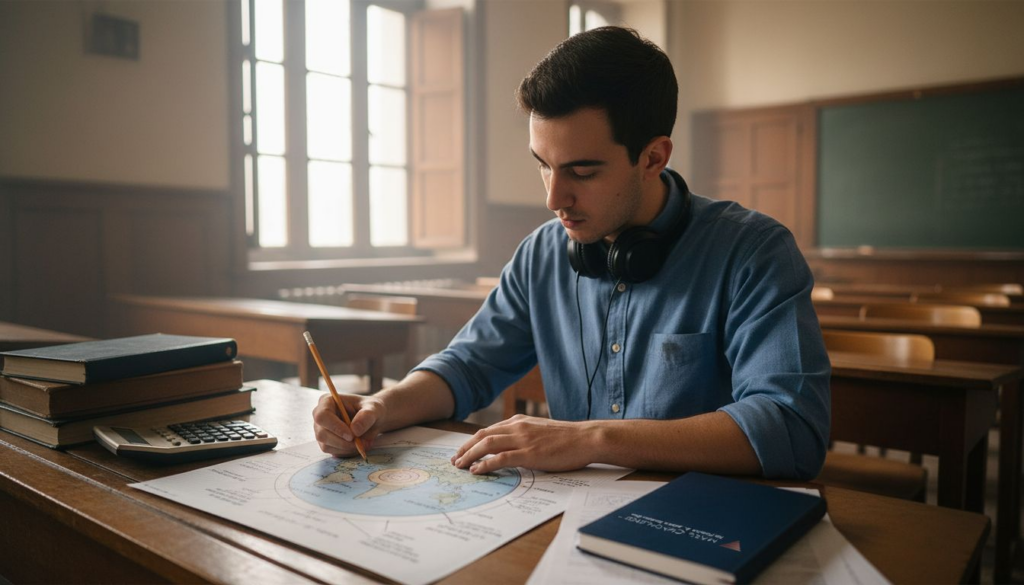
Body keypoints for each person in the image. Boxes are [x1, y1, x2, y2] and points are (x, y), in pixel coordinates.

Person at [314, 26, 830, 480]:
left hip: (704, 517)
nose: (553, 198)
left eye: (582, 172)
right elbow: (468, 365)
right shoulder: (542, 254)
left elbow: (791, 426)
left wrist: (589, 439)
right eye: (544, 164)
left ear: (653, 157)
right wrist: (383, 405)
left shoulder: (754, 251)